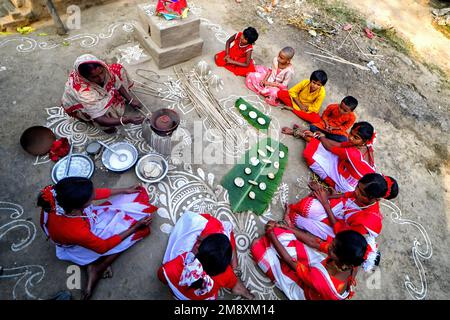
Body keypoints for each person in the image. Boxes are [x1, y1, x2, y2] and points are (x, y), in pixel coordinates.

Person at [37, 177, 157, 299]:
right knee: (137, 227)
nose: (94, 196)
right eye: (89, 199)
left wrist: (124, 190)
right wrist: (134, 228)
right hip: (78, 246)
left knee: (129, 202)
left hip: (83, 230)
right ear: (75, 210)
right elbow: (103, 247)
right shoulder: (76, 230)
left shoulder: (56, 198)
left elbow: (93, 194)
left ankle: (96, 266)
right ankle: (98, 267)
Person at [285, 173, 398, 271]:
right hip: (341, 210)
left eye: (362, 193)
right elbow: (347, 195)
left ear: (375, 199)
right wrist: (327, 195)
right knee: (305, 206)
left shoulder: (367, 222)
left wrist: (325, 203)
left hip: (342, 231)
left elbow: (341, 233)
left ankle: (296, 226)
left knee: (303, 210)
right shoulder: (361, 191)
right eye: (357, 187)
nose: (357, 192)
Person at [251, 221, 367, 300]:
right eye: (333, 242)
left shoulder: (321, 280)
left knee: (257, 245)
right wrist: (287, 228)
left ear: (343, 261)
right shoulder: (351, 262)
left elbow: (290, 262)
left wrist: (271, 234)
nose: (330, 246)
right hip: (314, 272)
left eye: (333, 248)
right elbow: (315, 243)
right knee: (279, 232)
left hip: (304, 290)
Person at [158, 211, 254, 300]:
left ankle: (235, 278)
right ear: (223, 268)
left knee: (213, 227)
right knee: (226, 237)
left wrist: (191, 254)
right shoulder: (222, 275)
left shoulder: (172, 268)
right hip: (199, 296)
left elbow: (161, 276)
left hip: (178, 292)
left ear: (198, 245)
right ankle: (236, 273)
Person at [283, 121, 377, 193]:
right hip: (345, 166)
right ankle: (303, 133)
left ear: (365, 141)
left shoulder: (354, 153)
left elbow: (330, 147)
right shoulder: (366, 145)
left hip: (345, 182)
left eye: (356, 137)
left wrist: (321, 137)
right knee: (318, 144)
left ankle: (301, 133)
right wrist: (319, 136)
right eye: (351, 133)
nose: (351, 138)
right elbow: (340, 145)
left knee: (310, 155)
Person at [61, 54, 145, 134]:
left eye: (101, 72)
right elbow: (99, 118)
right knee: (105, 111)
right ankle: (106, 127)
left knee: (118, 69)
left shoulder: (104, 69)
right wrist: (127, 120)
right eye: (94, 77)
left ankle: (113, 101)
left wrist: (130, 100)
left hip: (97, 94)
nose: (101, 78)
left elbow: (116, 82)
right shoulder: (84, 93)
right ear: (85, 77)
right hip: (83, 104)